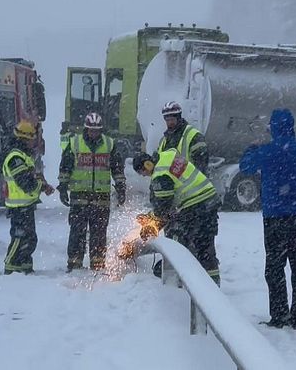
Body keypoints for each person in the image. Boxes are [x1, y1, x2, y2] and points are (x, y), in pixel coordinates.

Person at [239, 109, 296, 329]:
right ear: (292, 127)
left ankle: (279, 315)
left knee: (275, 267)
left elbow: (245, 167)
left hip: (274, 218)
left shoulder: (265, 151)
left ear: (272, 128)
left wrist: (252, 147)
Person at [132, 149, 221, 284]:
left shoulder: (160, 174)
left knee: (184, 241)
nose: (145, 176)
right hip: (208, 199)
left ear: (148, 165)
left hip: (197, 205)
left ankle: (186, 279)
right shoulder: (167, 155)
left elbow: (163, 208)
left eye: (143, 172)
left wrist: (150, 221)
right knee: (205, 246)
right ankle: (211, 282)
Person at [58, 112, 126, 272]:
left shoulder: (109, 144)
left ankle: (98, 263)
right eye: (91, 130)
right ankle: (74, 263)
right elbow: (65, 166)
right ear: (86, 129)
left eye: (97, 130)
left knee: (99, 233)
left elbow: (117, 168)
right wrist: (62, 186)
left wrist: (121, 186)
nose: (94, 133)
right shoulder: (74, 143)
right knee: (77, 232)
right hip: (79, 197)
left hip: (101, 198)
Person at [2, 120, 54, 275]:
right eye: (32, 139)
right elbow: (26, 183)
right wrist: (41, 186)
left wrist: (42, 185)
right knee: (19, 237)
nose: (34, 142)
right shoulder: (15, 158)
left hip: (26, 206)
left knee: (29, 239)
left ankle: (24, 266)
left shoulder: (23, 156)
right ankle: (11, 266)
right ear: (23, 139)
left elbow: (30, 178)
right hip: (19, 207)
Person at [157, 101, 209, 173]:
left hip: (189, 182)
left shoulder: (194, 136)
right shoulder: (163, 141)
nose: (169, 123)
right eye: (167, 120)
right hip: (173, 182)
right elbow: (159, 163)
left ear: (179, 118)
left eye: (172, 119)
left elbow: (201, 164)